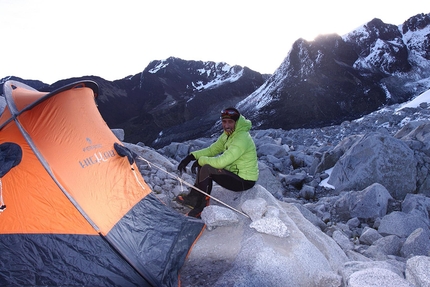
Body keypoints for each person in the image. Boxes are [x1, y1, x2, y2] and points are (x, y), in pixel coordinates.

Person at [176, 107, 259, 218]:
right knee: (204, 167)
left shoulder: (241, 138)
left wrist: (200, 161)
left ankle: (200, 208)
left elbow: (221, 162)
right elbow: (212, 150)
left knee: (206, 168)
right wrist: (191, 157)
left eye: (230, 122)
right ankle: (193, 199)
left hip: (244, 181)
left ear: (237, 122)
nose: (226, 125)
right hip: (235, 174)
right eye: (224, 121)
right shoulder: (228, 135)